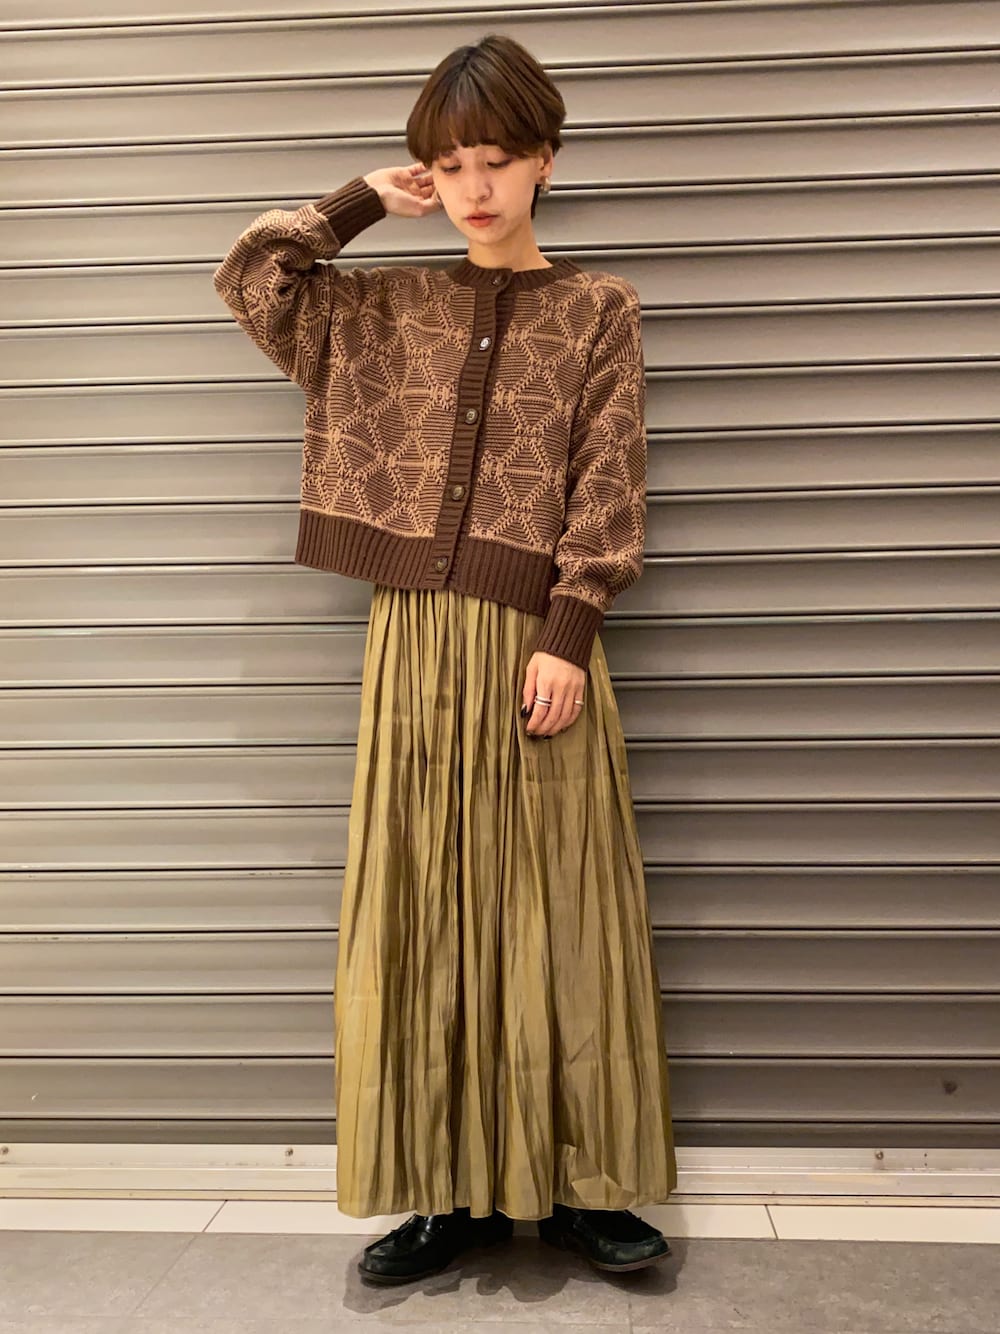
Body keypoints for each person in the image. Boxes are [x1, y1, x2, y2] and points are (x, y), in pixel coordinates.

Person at [213, 31, 677, 1287]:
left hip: (538, 645)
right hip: (414, 642)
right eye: (450, 163)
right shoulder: (382, 308)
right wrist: (364, 200)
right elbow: (253, 277)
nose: (474, 186)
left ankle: (580, 1183)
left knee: (559, 909)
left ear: (546, 160)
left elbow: (609, 482)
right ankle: (449, 1191)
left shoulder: (597, 309)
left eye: (497, 159)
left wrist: (570, 631)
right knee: (422, 909)